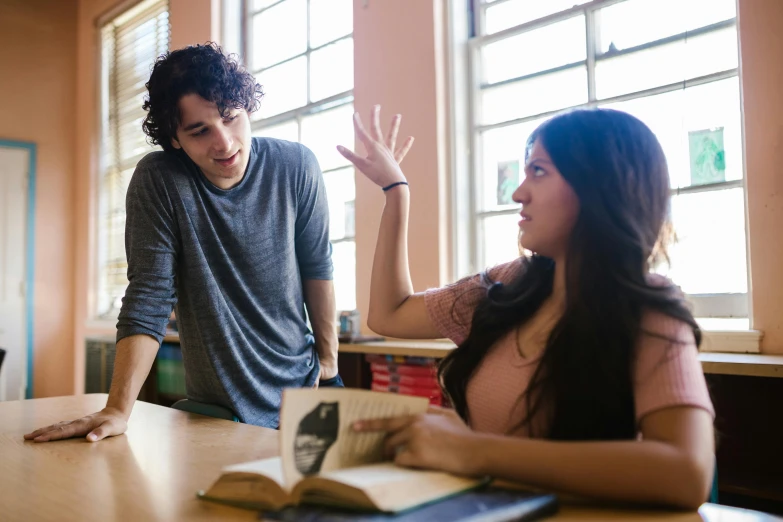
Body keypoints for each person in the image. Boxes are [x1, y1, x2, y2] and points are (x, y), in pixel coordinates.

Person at [338, 106, 715, 509]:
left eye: (538, 171)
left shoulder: (647, 307)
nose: (518, 192)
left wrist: (472, 450)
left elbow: (687, 473)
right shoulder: (510, 284)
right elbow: (388, 314)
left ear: (598, 185)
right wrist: (396, 192)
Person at [25, 43, 342, 441]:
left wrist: (328, 361)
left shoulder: (296, 166)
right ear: (174, 139)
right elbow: (150, 295)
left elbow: (317, 265)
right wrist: (118, 409)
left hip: (308, 389)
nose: (224, 143)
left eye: (231, 118)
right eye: (200, 131)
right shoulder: (159, 181)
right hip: (220, 410)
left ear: (247, 108)